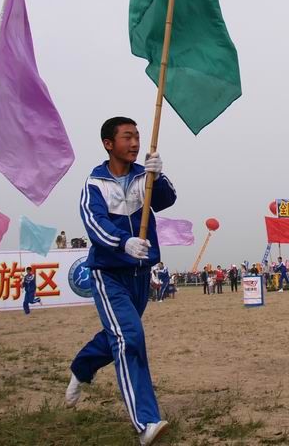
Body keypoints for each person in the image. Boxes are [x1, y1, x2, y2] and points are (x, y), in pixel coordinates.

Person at [66, 116, 176, 445]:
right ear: (108, 144)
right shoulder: (95, 184)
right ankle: (146, 422)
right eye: (127, 137)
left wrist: (159, 174)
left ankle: (81, 368)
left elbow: (165, 200)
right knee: (128, 337)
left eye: (137, 137)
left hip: (140, 273)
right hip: (109, 273)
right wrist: (122, 241)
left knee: (117, 334)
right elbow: (94, 223)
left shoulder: (144, 176)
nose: (135, 143)